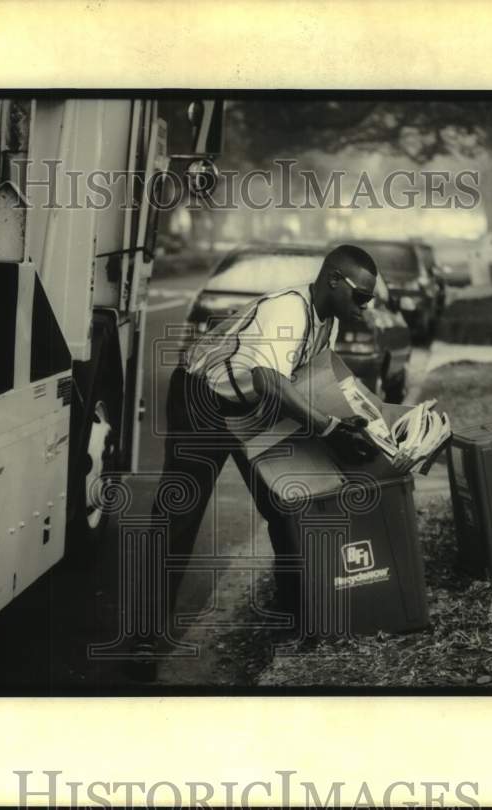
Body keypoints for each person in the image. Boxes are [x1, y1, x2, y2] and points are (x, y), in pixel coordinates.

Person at [128, 244, 381, 679]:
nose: (365, 307)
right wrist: (325, 428)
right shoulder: (287, 311)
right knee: (178, 518)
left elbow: (306, 383)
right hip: (201, 398)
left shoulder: (328, 323)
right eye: (361, 296)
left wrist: (356, 423)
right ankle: (143, 639)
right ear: (334, 280)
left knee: (284, 504)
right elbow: (270, 382)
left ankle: (296, 617)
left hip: (249, 407)